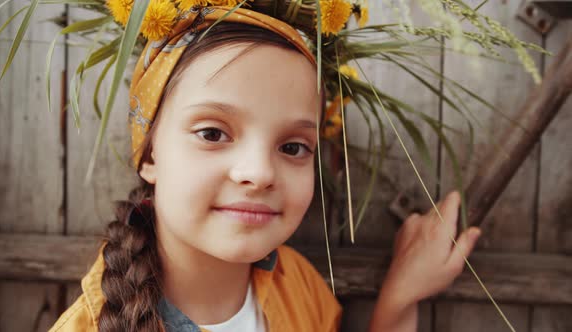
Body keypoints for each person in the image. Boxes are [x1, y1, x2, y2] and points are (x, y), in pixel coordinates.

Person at [48, 6, 481, 332]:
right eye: (213, 134)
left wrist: (399, 298)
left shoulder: (302, 289)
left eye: (293, 146)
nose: (259, 172)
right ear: (149, 154)